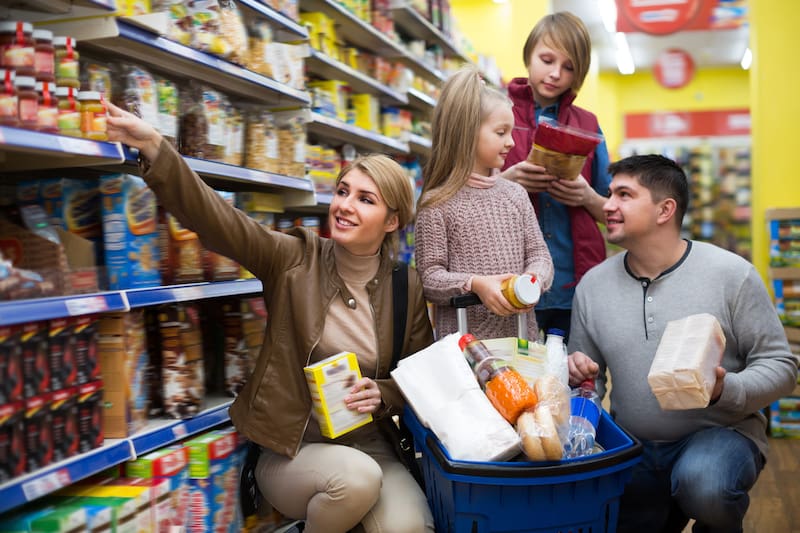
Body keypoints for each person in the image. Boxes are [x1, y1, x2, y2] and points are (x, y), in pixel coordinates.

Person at [105, 103, 435, 533]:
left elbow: (418, 378)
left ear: (392, 221)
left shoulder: (404, 287)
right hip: (293, 450)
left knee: (409, 528)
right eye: (342, 191)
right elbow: (217, 220)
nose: (345, 205)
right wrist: (155, 146)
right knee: (356, 482)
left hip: (371, 445)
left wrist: (383, 394)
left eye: (365, 199)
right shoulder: (294, 259)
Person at [567, 154, 799, 533]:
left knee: (704, 485)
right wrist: (579, 374)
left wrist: (727, 387)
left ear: (665, 210)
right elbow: (587, 382)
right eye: (609, 194)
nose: (607, 205)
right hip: (633, 444)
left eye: (624, 195)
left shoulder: (730, 274)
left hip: (723, 435)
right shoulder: (593, 285)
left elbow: (782, 366)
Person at [415, 66, 554, 341]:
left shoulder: (515, 195)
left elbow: (540, 255)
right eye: (501, 132)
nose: (512, 142)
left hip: (521, 343)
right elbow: (430, 278)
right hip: (465, 349)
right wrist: (475, 284)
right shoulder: (437, 204)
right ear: (466, 132)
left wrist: (532, 280)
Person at [500, 12, 612, 341]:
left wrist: (587, 196)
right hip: (512, 279)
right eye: (547, 60)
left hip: (576, 281)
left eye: (569, 67)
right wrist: (508, 181)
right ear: (528, 54)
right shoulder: (494, 113)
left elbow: (611, 208)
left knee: (578, 374)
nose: (555, 74)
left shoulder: (589, 125)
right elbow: (464, 194)